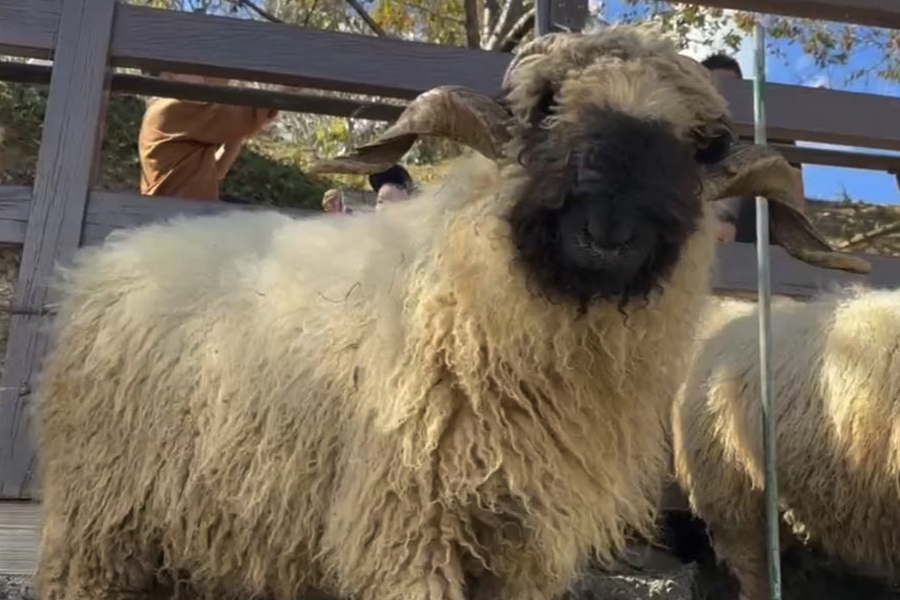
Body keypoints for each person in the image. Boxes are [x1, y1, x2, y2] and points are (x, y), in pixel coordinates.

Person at [701, 53, 807, 244]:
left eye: (732, 88)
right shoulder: (689, 132)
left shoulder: (770, 131)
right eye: (715, 89)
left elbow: (794, 197)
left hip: (753, 236)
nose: (725, 97)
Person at [138, 72, 278, 202]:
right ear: (170, 75)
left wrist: (238, 132)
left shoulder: (167, 111)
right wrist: (284, 91)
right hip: (178, 212)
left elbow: (218, 171)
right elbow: (251, 112)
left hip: (183, 208)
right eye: (199, 72)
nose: (206, 79)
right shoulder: (171, 108)